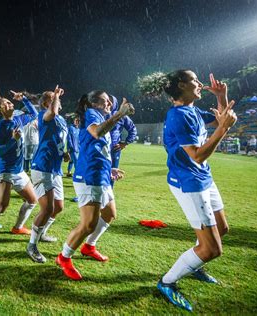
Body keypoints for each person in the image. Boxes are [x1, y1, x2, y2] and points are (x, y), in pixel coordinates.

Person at [146, 71, 236, 312]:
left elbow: (220, 119)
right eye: (195, 80)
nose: (200, 84)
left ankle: (194, 265)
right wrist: (223, 130)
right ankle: (166, 282)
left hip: (204, 178)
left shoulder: (193, 111)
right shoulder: (177, 116)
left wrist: (222, 97)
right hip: (188, 182)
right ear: (181, 85)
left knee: (222, 228)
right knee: (212, 249)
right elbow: (197, 155)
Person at [55, 91, 133, 280]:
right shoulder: (91, 114)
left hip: (101, 175)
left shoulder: (99, 116)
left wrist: (110, 170)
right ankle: (63, 257)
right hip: (89, 176)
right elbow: (96, 132)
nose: (109, 105)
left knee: (109, 214)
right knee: (88, 224)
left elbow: (99, 149)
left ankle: (89, 247)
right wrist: (119, 114)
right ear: (94, 103)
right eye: (106, 101)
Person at [0, 89, 39, 249]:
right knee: (0, 207)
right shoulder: (0, 128)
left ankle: (17, 227)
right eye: (5, 103)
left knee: (32, 200)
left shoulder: (19, 119)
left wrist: (24, 99)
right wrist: (13, 139)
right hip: (5, 171)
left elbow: (34, 114)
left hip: (19, 171)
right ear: (0, 110)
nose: (9, 103)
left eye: (10, 101)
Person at [26, 85, 68, 263]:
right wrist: (56, 96)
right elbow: (51, 112)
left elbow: (57, 139)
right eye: (52, 98)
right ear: (45, 103)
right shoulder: (44, 115)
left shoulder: (61, 120)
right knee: (47, 208)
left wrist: (63, 152)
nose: (57, 100)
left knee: (58, 207)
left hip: (55, 169)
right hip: (42, 167)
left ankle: (41, 233)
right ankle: (31, 245)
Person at [108, 95, 137, 173]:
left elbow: (133, 129)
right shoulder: (99, 115)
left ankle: (110, 185)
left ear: (115, 103)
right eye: (107, 100)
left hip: (114, 149)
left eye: (111, 101)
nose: (108, 103)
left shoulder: (121, 116)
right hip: (99, 148)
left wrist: (125, 143)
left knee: (113, 173)